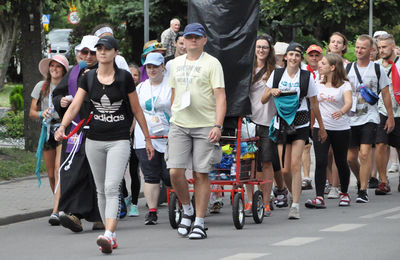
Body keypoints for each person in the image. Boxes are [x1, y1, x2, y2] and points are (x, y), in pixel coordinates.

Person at [54, 36, 154, 254]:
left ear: (115, 52)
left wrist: (147, 139)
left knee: (111, 187)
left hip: (118, 140)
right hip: (94, 140)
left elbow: (137, 110)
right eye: (98, 48)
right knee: (100, 189)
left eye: (106, 49)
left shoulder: (124, 78)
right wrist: (62, 126)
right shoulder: (88, 78)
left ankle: (107, 234)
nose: (101, 52)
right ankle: (112, 234)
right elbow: (75, 106)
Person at [166, 23, 226, 239]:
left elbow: (220, 96)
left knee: (201, 174)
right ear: (183, 40)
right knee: (175, 171)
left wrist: (218, 125)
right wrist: (173, 117)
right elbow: (174, 93)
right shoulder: (175, 64)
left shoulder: (212, 63)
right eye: (189, 37)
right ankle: (187, 209)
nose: (192, 40)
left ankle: (200, 222)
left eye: (196, 37)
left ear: (203, 40)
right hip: (180, 124)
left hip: (204, 125)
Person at [262, 42, 327, 219]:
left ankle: (296, 205)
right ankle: (293, 193)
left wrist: (321, 127)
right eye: (291, 55)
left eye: (297, 55)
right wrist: (272, 91)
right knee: (284, 170)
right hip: (282, 123)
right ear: (285, 57)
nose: (293, 58)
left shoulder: (306, 77)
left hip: (301, 123)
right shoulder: (277, 74)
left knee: (295, 164)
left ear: (300, 58)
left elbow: (314, 103)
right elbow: (263, 99)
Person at [53, 35, 103, 233]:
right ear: (79, 53)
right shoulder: (74, 73)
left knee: (97, 173)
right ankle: (74, 214)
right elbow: (58, 93)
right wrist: (60, 102)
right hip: (75, 130)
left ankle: (100, 215)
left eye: (93, 52)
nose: (89, 56)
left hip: (99, 129)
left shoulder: (105, 72)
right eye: (85, 52)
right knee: (73, 170)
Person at [346, 34, 394, 203]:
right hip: (350, 118)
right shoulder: (348, 68)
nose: (359, 50)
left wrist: (390, 117)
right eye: (357, 47)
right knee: (351, 158)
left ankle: (363, 190)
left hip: (370, 117)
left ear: (371, 50)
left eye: (363, 48)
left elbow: (386, 94)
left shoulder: (377, 69)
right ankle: (361, 179)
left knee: (365, 154)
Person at [305, 53, 352, 208]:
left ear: (332, 67)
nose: (319, 64)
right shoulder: (316, 81)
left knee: (341, 161)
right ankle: (319, 197)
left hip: (341, 128)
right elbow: (313, 103)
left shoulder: (345, 84)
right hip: (321, 127)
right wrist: (313, 124)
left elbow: (349, 103)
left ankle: (344, 193)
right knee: (321, 161)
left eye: (323, 63)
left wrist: (342, 111)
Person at [30, 54, 69, 226]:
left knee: (58, 169)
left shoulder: (68, 86)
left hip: (63, 129)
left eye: (58, 66)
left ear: (64, 70)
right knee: (50, 174)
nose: (54, 69)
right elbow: (32, 111)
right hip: (47, 131)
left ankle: (56, 210)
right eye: (52, 66)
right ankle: (59, 203)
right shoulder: (42, 86)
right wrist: (41, 113)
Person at [134, 53, 172, 225]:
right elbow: (135, 111)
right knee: (150, 174)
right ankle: (152, 211)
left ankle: (179, 205)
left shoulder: (171, 85)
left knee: (169, 174)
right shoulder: (140, 87)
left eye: (155, 66)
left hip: (168, 134)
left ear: (163, 66)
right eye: (149, 67)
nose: (152, 70)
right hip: (145, 136)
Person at [246, 34, 281, 217]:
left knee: (266, 161)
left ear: (270, 50)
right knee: (248, 162)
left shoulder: (276, 70)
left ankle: (266, 202)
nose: (261, 50)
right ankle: (250, 200)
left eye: (264, 47)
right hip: (248, 121)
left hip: (268, 121)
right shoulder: (247, 68)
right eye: (258, 47)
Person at [375, 33, 400, 195]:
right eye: (379, 47)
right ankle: (383, 181)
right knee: (380, 144)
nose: (381, 50)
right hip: (381, 110)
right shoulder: (376, 65)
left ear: (393, 46)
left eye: (384, 47)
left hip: (399, 110)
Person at [120, 63, 142, 217]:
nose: (133, 77)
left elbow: (138, 113)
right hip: (122, 133)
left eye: (136, 75)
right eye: (130, 74)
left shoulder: (141, 91)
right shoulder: (120, 90)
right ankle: (124, 196)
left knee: (134, 170)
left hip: (136, 135)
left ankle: (134, 203)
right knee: (120, 171)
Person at [301, 44, 323, 191]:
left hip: (324, 109)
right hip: (308, 109)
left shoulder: (326, 69)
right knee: (306, 146)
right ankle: (307, 177)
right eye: (311, 55)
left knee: (324, 147)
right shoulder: (303, 71)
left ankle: (327, 179)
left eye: (317, 55)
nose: (314, 58)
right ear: (307, 57)